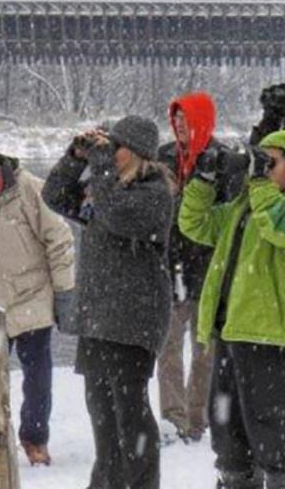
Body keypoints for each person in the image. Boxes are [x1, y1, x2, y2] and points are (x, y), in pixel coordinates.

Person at [180, 130, 285, 489]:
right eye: (262, 160)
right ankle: (235, 478)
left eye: (273, 162)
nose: (264, 169)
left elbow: (279, 227)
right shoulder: (243, 207)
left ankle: (283, 482)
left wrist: (259, 183)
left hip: (269, 334)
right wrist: (204, 180)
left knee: (271, 426)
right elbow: (194, 224)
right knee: (227, 427)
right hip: (231, 330)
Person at [42, 115, 175, 489]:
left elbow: (116, 215)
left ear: (134, 154)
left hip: (133, 320)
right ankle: (107, 482)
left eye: (115, 148)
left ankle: (140, 483)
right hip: (99, 317)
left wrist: (99, 166)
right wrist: (76, 156)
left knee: (130, 412)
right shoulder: (105, 189)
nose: (109, 154)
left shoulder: (154, 194)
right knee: (102, 414)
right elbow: (54, 196)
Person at [0, 147, 75, 467]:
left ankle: (34, 438)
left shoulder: (28, 188)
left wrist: (64, 292)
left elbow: (60, 239)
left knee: (36, 375)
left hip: (33, 295)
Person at [156, 92, 230, 444]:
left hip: (207, 267)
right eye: (177, 120)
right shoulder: (163, 158)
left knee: (204, 351)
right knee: (168, 346)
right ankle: (173, 417)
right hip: (171, 267)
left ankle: (197, 418)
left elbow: (224, 216)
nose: (180, 127)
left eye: (186, 119)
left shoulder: (222, 160)